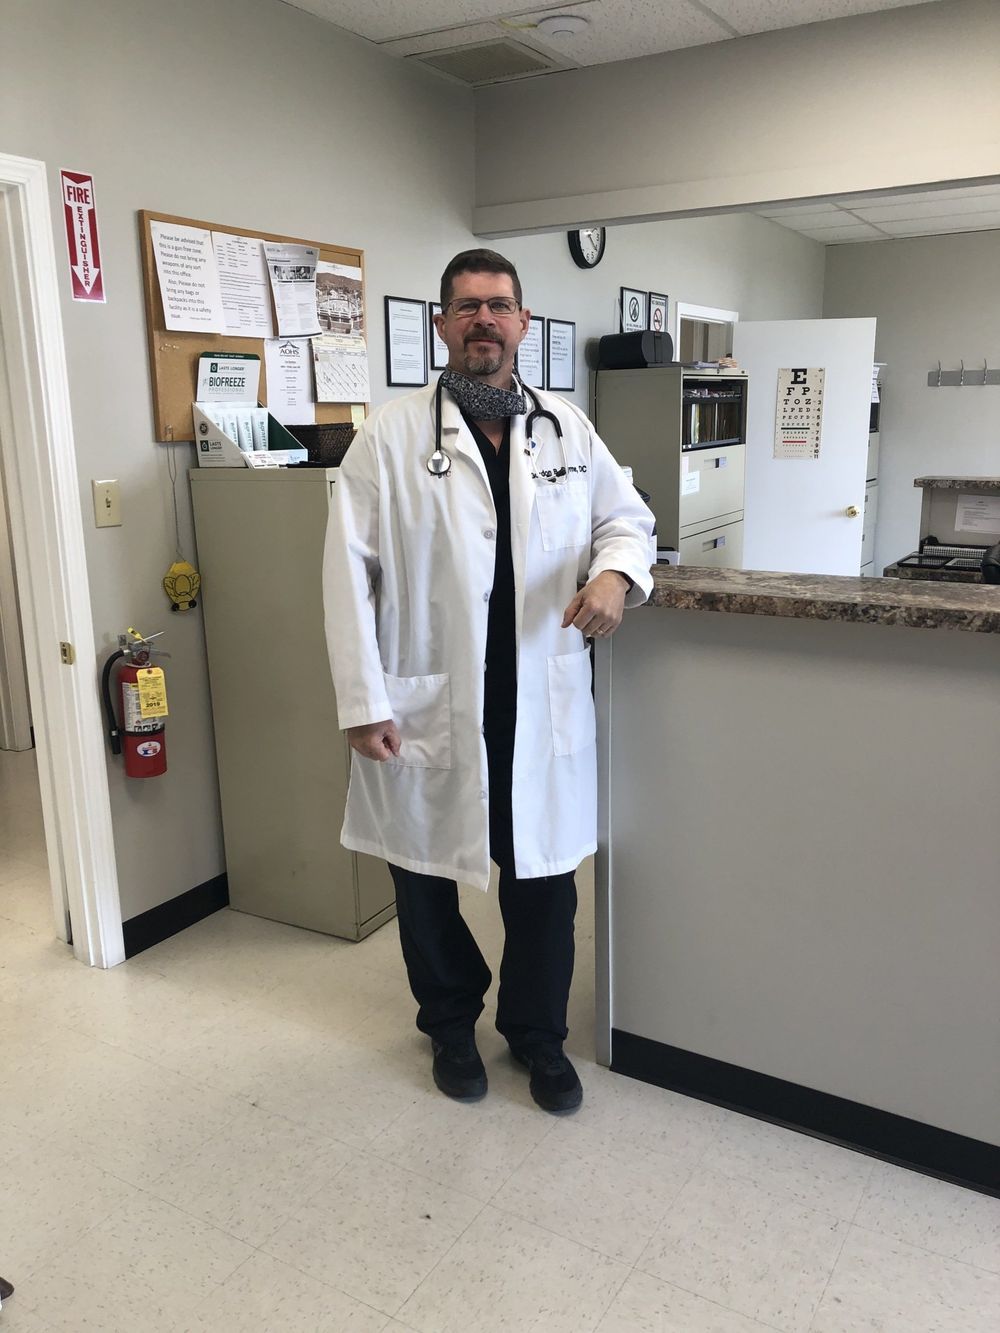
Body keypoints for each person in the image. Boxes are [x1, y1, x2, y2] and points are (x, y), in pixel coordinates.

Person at [323, 249, 654, 1113]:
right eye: (467, 306)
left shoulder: (566, 428)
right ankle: (448, 1022)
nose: (484, 320)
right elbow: (345, 575)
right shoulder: (389, 437)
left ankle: (537, 1033)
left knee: (542, 880)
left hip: (536, 695)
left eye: (499, 306)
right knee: (423, 877)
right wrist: (362, 701)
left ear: (522, 323)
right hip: (432, 695)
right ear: (442, 324)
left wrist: (615, 572)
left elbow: (627, 519)